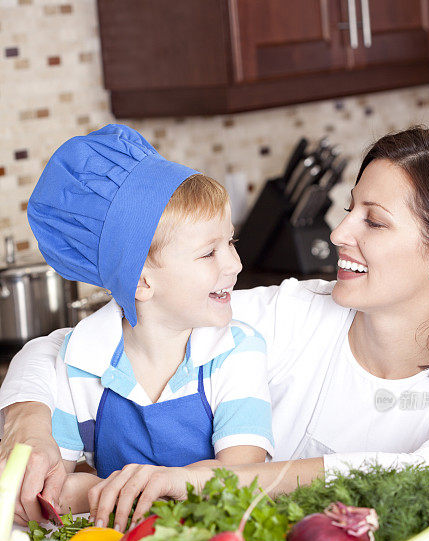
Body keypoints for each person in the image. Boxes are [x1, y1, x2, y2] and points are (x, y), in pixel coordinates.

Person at [1, 127, 429, 531]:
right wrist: (29, 425)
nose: (339, 231)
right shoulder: (294, 314)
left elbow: (426, 477)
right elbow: (60, 350)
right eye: (349, 209)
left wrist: (203, 481)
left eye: (374, 221)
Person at [2, 124, 274, 518]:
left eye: (230, 242)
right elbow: (46, 493)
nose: (235, 263)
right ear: (143, 281)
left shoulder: (235, 350)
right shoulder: (81, 363)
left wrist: (93, 490)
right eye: (208, 253)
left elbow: (243, 474)